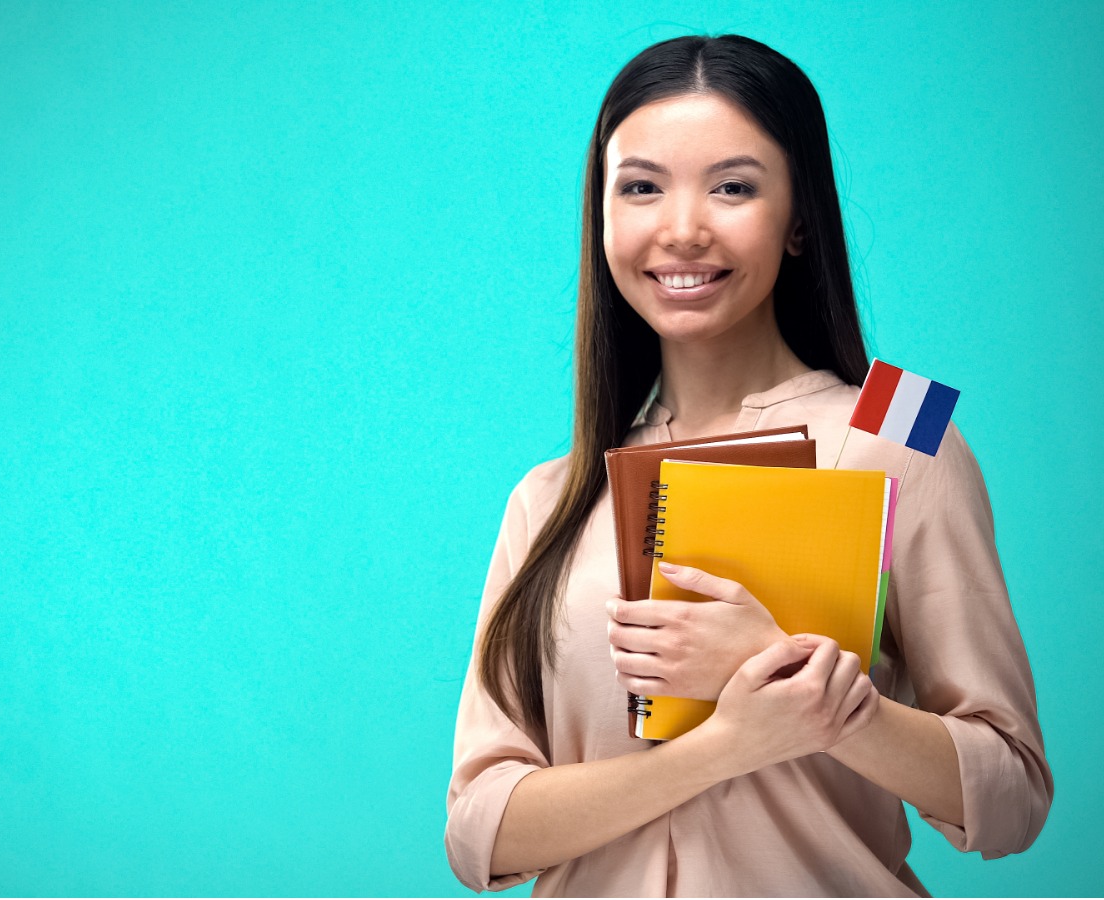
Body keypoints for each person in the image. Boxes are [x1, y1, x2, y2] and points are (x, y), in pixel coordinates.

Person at [445, 34, 1051, 897]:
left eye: (733, 187)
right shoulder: (551, 494)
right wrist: (729, 743)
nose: (682, 229)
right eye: (641, 187)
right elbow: (477, 833)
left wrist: (817, 698)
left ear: (800, 218)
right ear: (603, 215)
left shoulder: (902, 426)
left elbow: (1014, 795)